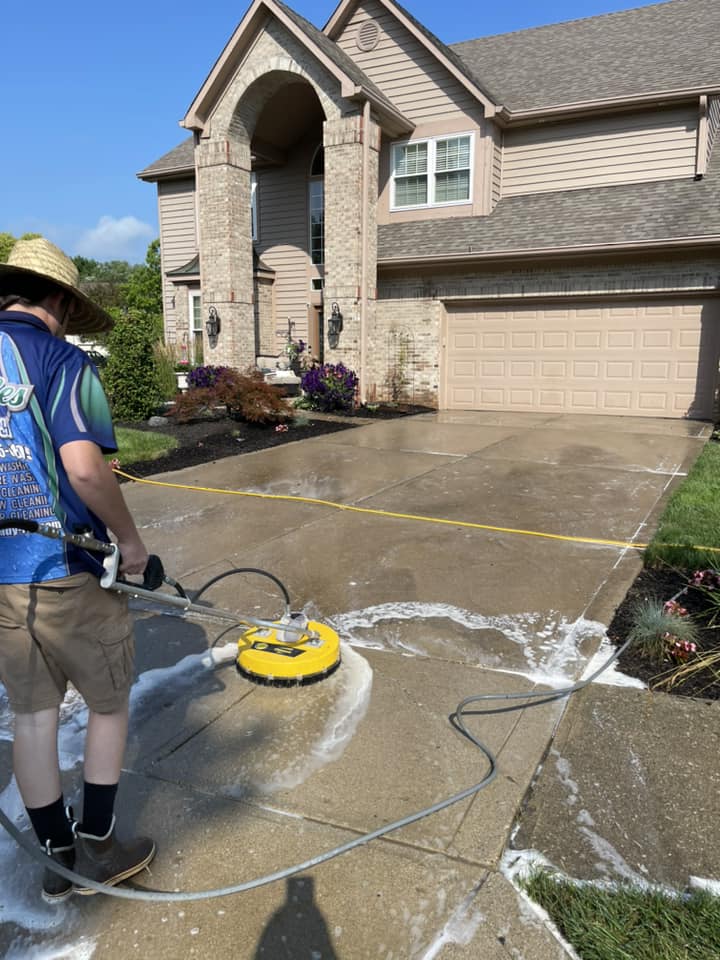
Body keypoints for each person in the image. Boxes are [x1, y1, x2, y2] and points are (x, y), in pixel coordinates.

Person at [0, 237, 155, 902]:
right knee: (109, 703)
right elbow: (86, 468)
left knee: (32, 717)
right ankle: (99, 844)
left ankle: (56, 862)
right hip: (68, 568)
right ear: (61, 300)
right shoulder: (63, 361)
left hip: (4, 582)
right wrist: (133, 544)